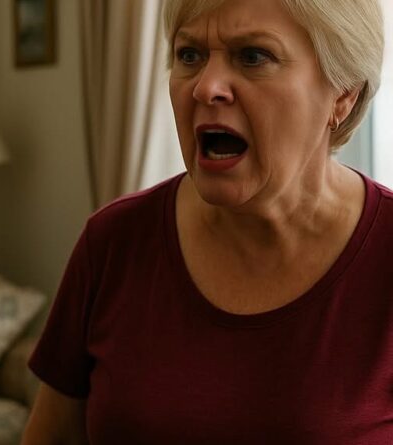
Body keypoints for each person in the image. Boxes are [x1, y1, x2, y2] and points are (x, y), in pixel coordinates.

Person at [22, 0, 388, 443]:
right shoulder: (113, 241)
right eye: (189, 55)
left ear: (343, 94)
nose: (205, 87)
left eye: (252, 56)